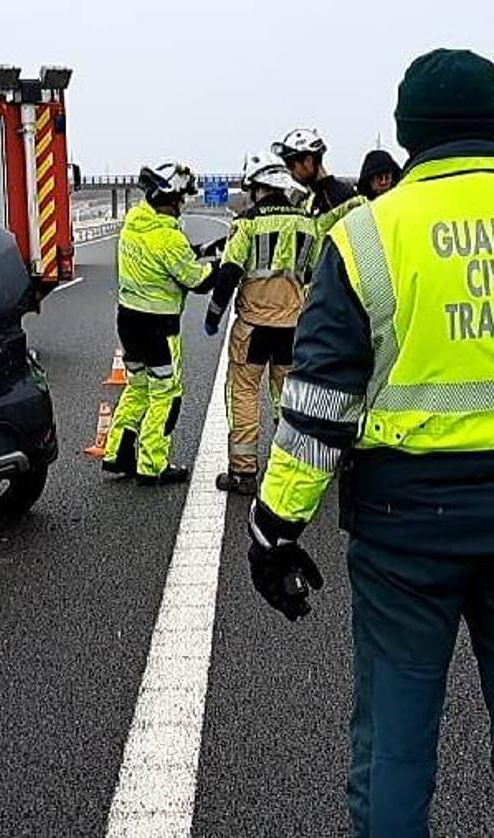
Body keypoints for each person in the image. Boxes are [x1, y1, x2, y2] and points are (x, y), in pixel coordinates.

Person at [246, 48, 494, 836]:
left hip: (405, 526)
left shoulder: (365, 237)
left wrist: (274, 530)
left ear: (408, 133)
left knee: (395, 742)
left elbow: (318, 407)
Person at [204, 151, 318, 495]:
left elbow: (229, 271)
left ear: (256, 188)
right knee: (289, 398)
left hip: (253, 327)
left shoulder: (248, 223)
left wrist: (214, 314)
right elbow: (313, 274)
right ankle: (290, 469)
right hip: (293, 328)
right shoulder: (306, 223)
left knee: (244, 394)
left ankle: (243, 472)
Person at [101, 161, 214, 485]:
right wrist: (223, 266)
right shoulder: (168, 237)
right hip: (159, 328)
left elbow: (165, 257)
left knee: (137, 388)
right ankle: (153, 465)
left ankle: (117, 454)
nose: (181, 206)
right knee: (167, 394)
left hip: (129, 322)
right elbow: (198, 280)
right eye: (179, 199)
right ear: (169, 197)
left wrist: (202, 250)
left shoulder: (134, 226)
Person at [272, 127, 363, 233]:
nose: (290, 172)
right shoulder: (306, 199)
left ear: (308, 161)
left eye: (291, 165)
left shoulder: (341, 197)